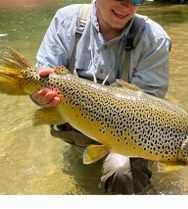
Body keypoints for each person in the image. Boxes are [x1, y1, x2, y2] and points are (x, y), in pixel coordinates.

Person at [31, 0, 172, 194]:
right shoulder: (66, 20)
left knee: (122, 173)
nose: (127, 6)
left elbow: (147, 116)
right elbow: (41, 79)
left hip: (129, 135)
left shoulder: (155, 40)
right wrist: (38, 95)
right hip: (75, 127)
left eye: (136, 0)